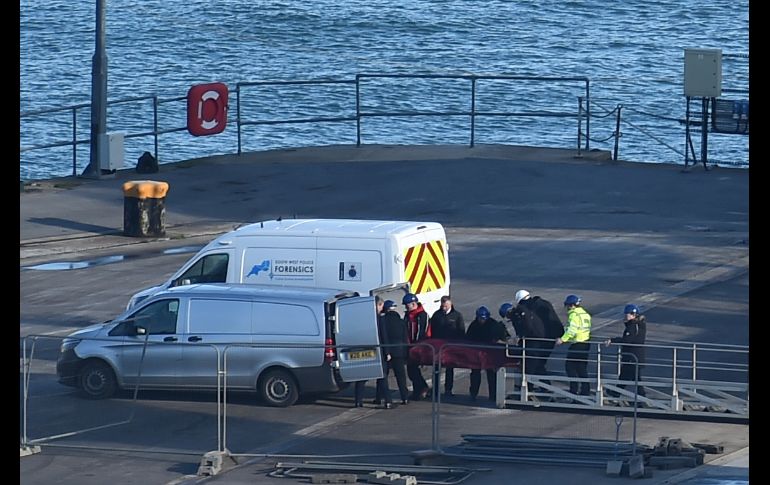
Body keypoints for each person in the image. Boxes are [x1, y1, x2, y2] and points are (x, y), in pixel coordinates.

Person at [513, 290, 564, 382]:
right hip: (550, 339)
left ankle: (538, 389)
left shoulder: (525, 309)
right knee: (538, 365)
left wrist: (521, 336)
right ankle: (540, 389)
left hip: (536, 341)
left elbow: (528, 326)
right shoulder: (544, 304)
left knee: (534, 366)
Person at [354, 296, 393, 408]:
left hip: (364, 350)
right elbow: (383, 336)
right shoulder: (380, 319)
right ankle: (388, 401)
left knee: (361, 377)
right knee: (382, 376)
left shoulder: (362, 319)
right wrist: (387, 352)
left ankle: (358, 401)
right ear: (378, 305)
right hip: (378, 350)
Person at [465, 306, 509, 402]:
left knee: (491, 375)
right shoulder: (474, 325)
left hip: (490, 354)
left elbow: (504, 336)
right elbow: (468, 338)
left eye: (483, 319)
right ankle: (473, 393)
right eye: (480, 318)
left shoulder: (493, 324)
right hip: (476, 353)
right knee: (475, 374)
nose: (481, 321)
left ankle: (493, 395)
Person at [604, 304, 647, 399]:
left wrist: (613, 340)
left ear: (633, 314)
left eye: (627, 314)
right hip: (635, 356)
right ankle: (617, 393)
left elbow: (627, 340)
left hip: (632, 357)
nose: (625, 316)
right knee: (626, 376)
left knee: (633, 377)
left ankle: (641, 397)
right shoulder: (639, 325)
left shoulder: (633, 326)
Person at [556, 294, 592, 397]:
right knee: (581, 368)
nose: (567, 308)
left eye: (567, 305)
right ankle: (585, 390)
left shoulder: (574, 315)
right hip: (586, 343)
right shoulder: (585, 314)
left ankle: (574, 390)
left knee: (570, 367)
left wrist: (562, 340)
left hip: (577, 344)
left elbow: (572, 331)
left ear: (571, 305)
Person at [429, 295, 465, 397]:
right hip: (438, 347)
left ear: (450, 304)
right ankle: (435, 390)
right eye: (443, 306)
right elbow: (433, 330)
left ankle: (448, 390)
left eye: (446, 306)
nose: (444, 308)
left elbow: (461, 331)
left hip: (451, 347)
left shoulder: (457, 316)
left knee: (450, 369)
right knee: (436, 369)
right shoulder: (436, 315)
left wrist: (459, 345)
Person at [379, 299, 411, 404]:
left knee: (383, 376)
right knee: (401, 376)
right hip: (400, 352)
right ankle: (405, 397)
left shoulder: (383, 321)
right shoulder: (401, 321)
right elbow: (405, 337)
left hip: (386, 351)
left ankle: (380, 397)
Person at [403, 293, 432, 401]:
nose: (406, 307)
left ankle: (422, 388)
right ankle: (418, 390)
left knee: (414, 370)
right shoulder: (408, 315)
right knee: (412, 371)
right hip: (410, 347)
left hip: (418, 347)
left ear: (414, 303)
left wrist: (416, 346)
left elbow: (421, 332)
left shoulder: (422, 315)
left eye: (407, 305)